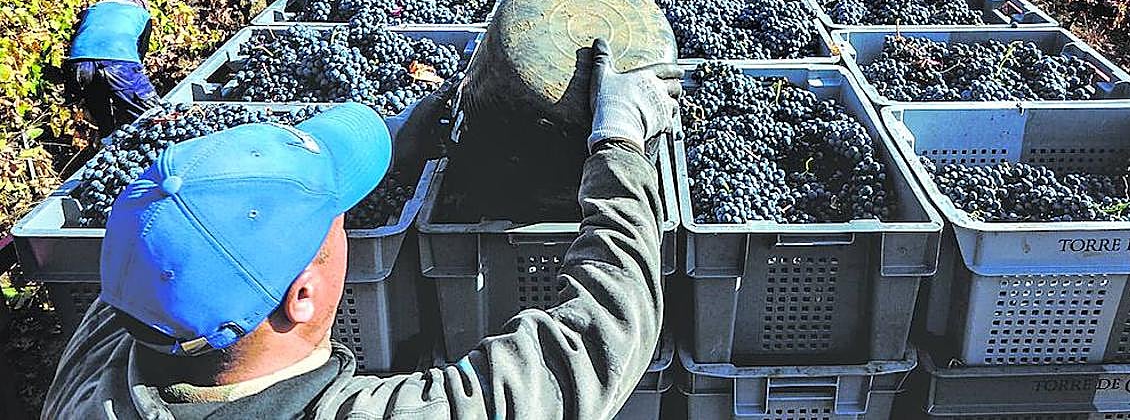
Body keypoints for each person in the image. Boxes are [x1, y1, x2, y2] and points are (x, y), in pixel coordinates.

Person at [43, 38, 683, 419]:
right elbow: (597, 339)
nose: (343, 220)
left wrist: (391, 149)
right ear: (302, 297)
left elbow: (182, 246)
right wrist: (620, 148)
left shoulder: (97, 373)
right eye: (336, 214)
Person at [65, 0, 160, 138]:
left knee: (103, 118)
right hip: (119, 62)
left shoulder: (94, 9)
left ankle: (108, 141)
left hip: (79, 63)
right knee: (151, 114)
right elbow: (141, 50)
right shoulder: (142, 14)